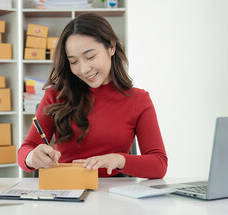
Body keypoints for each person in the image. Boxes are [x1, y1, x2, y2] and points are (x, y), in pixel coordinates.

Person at [18, 13, 167, 178]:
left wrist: (118, 160)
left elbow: (159, 164)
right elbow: (26, 149)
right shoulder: (56, 95)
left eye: (90, 57)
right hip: (68, 193)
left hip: (115, 198)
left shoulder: (138, 100)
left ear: (111, 47)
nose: (83, 69)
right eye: (74, 62)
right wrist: (31, 157)